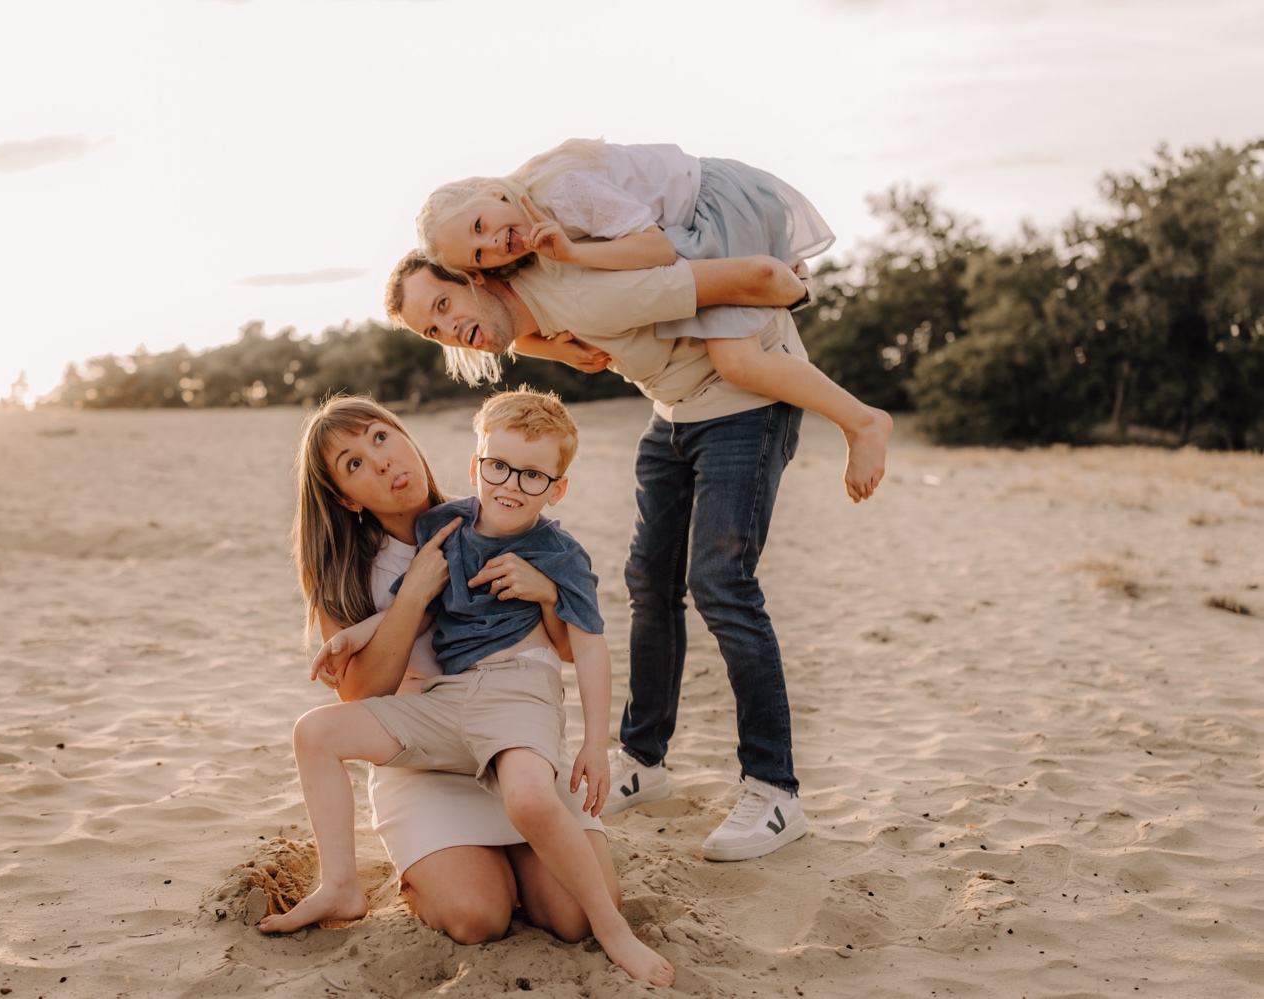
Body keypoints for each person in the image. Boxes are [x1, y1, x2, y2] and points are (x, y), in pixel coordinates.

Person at [385, 250, 810, 862]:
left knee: (721, 583)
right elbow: (531, 328)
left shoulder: (576, 271)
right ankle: (644, 759)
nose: (448, 330)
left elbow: (678, 261)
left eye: (445, 306)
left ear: (475, 277)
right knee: (649, 583)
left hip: (743, 402)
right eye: (432, 327)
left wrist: (779, 276)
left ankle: (774, 788)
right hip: (674, 413)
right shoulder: (534, 314)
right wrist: (558, 351)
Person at [265, 391, 675, 987]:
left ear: (407, 436)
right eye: (352, 463)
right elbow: (361, 693)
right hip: (429, 747)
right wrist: (395, 608)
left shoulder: (495, 520)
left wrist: (545, 591)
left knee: (569, 918)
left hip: (511, 720)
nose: (379, 461)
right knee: (477, 916)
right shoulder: (356, 564)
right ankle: (351, 884)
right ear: (344, 495)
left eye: (380, 438)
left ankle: (531, 865)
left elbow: (573, 646)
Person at [416, 138, 892, 502]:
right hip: (694, 223)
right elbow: (516, 330)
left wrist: (575, 251)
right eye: (479, 254)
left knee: (738, 361)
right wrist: (556, 347)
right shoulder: (522, 226)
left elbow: (658, 249)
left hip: (716, 201)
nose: (494, 243)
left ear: (488, 189)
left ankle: (862, 421)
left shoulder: (561, 192)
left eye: (481, 226)